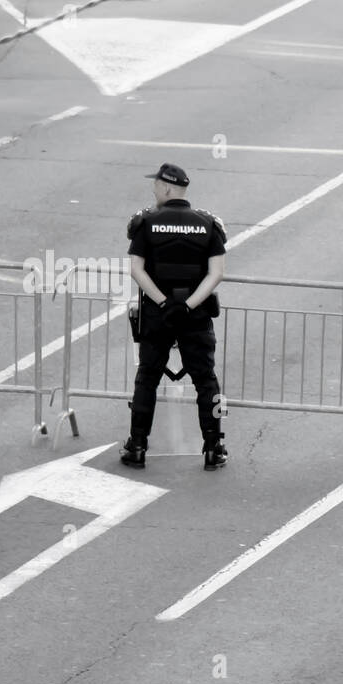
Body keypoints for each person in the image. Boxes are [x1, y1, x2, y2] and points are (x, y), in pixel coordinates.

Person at [120, 162, 228, 470]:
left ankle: (138, 446)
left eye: (155, 184)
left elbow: (136, 269)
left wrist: (164, 303)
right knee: (206, 381)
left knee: (147, 378)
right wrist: (189, 304)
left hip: (157, 315)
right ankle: (213, 447)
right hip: (195, 317)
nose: (153, 188)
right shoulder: (208, 224)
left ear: (167, 188)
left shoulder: (146, 222)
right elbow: (216, 273)